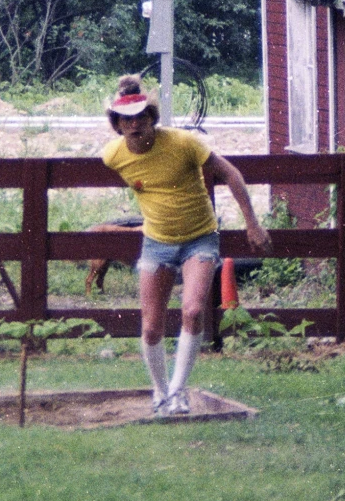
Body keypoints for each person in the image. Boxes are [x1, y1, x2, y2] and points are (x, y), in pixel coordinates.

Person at [103, 74, 272, 416]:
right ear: (117, 125)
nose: (135, 126)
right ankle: (160, 391)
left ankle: (179, 392)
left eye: (141, 118)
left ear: (152, 118)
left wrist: (251, 223)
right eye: (127, 120)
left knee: (193, 310)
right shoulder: (112, 156)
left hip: (200, 238)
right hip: (156, 242)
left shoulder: (184, 143)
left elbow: (230, 173)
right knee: (151, 326)